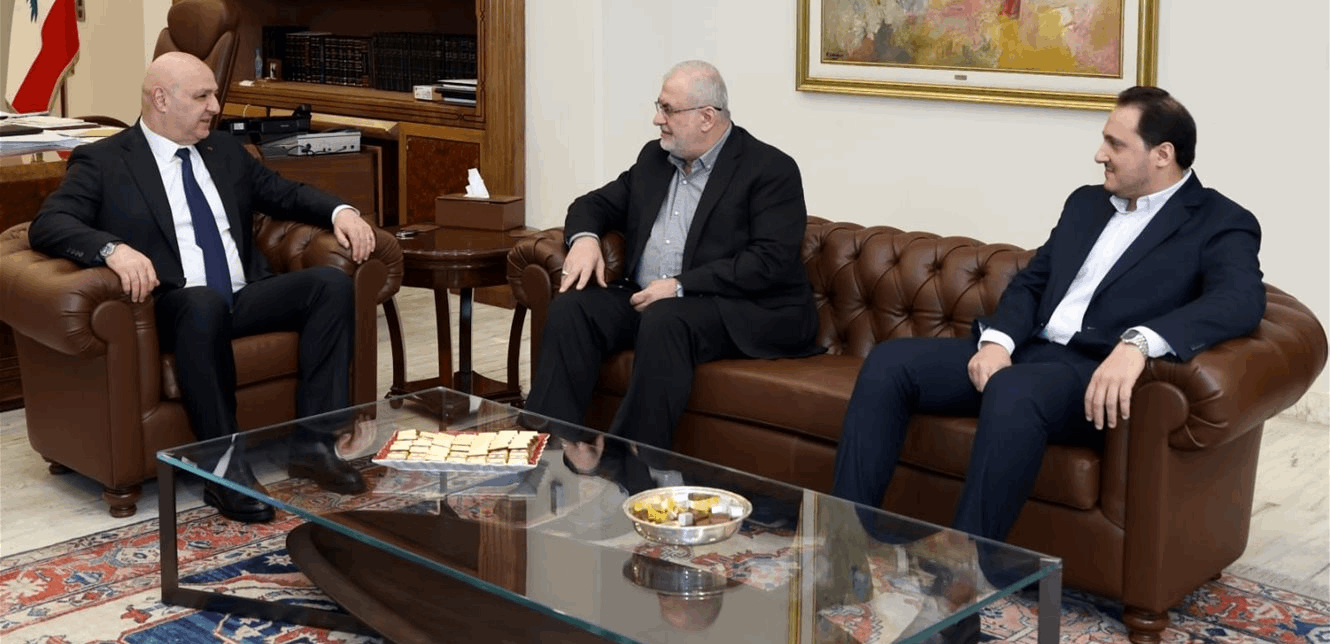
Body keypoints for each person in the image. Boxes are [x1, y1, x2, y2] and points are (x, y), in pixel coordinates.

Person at [832, 86, 1265, 554]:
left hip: (1091, 373)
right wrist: (998, 342)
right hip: (1029, 352)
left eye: (1115, 144)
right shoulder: (1086, 203)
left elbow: (1240, 300)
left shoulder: (1219, 221)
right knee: (891, 363)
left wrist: (1139, 343)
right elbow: (1033, 282)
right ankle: (842, 546)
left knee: (1012, 389)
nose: (1100, 154)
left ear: (1162, 154)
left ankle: (962, 572)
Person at [27, 52, 379, 523]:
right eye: (202, 96)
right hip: (172, 305)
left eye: (214, 94)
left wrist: (341, 212)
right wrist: (112, 249)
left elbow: (285, 193)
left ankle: (315, 444)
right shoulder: (106, 160)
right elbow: (49, 223)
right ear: (160, 99)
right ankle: (223, 467)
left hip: (239, 296)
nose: (215, 106)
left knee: (329, 285)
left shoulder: (223, 151)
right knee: (202, 303)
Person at [525, 60, 819, 472]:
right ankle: (549, 446)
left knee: (666, 319)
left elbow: (768, 261)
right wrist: (586, 239)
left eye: (668, 109)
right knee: (573, 308)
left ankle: (627, 463)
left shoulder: (769, 169)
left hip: (742, 307)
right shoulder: (655, 159)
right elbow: (592, 204)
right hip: (652, 298)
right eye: (658, 106)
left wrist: (680, 284)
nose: (656, 119)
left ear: (706, 117)